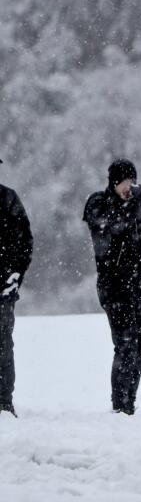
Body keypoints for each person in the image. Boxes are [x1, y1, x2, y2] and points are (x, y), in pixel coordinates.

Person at [83, 159, 141, 415]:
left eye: (131, 182)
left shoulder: (135, 209)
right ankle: (120, 407)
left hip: (138, 285)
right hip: (114, 287)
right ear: (113, 182)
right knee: (126, 346)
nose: (127, 187)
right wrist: (134, 204)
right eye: (123, 182)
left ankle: (129, 401)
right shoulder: (97, 204)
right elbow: (114, 227)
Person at [0, 157, 34, 418]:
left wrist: (15, 276)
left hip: (2, 287)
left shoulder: (8, 199)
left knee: (2, 345)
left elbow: (24, 242)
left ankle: (3, 402)